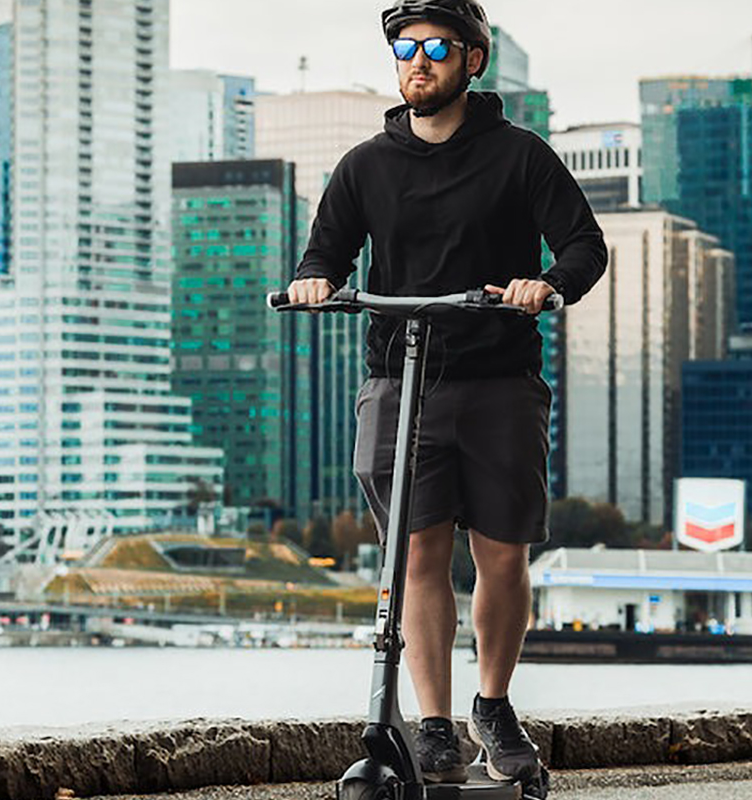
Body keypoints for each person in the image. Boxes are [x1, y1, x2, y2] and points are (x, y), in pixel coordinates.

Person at [287, 0, 607, 785]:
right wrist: (311, 281)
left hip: (499, 379)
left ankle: (491, 703)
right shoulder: (364, 165)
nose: (417, 60)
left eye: (436, 46)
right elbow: (321, 253)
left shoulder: (520, 155)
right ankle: (433, 724)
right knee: (418, 554)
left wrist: (547, 283)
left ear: (473, 59)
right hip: (400, 381)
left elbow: (584, 245)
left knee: (501, 555)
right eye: (404, 47)